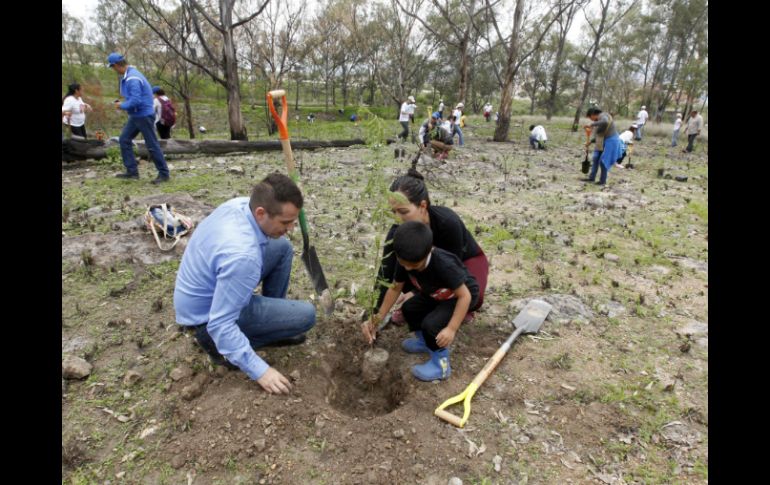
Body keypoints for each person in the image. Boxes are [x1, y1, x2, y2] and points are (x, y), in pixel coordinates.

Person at [174, 173, 317, 395]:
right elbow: (220, 324)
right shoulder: (244, 256)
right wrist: (261, 371)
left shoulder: (240, 205)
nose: (291, 228)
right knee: (307, 315)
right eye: (286, 222)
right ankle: (221, 351)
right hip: (207, 322)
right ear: (261, 213)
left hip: (202, 298)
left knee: (283, 248)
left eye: (293, 222)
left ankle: (273, 327)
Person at [362, 221, 478, 381]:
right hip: (436, 293)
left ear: (429, 251)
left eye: (414, 265)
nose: (408, 269)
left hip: (459, 297)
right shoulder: (406, 259)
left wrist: (451, 328)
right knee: (409, 308)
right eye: (404, 264)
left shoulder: (444, 264)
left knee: (432, 325)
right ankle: (425, 343)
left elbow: (465, 296)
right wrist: (378, 316)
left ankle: (441, 365)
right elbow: (395, 288)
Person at [374, 169, 488, 324]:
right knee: (407, 268)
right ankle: (434, 305)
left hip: (463, 261)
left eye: (403, 211)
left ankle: (457, 309)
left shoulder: (447, 222)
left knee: (473, 295)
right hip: (424, 268)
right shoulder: (397, 233)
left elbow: (453, 268)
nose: (398, 218)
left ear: (422, 205)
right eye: (394, 212)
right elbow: (386, 275)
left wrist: (416, 292)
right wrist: (375, 314)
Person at [107, 52, 170, 184]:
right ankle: (132, 172)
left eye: (112, 67)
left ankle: (164, 174)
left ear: (116, 65)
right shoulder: (130, 74)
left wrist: (121, 106)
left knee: (152, 144)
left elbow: (135, 101)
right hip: (136, 115)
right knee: (124, 139)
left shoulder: (132, 78)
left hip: (143, 115)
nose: (113, 70)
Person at [582, 107, 624, 186]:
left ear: (593, 114)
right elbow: (599, 135)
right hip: (602, 141)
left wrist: (592, 124)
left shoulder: (603, 115)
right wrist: (590, 142)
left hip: (611, 140)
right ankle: (591, 178)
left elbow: (605, 122)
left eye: (590, 117)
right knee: (595, 158)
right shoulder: (598, 121)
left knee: (603, 160)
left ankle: (602, 181)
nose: (591, 120)